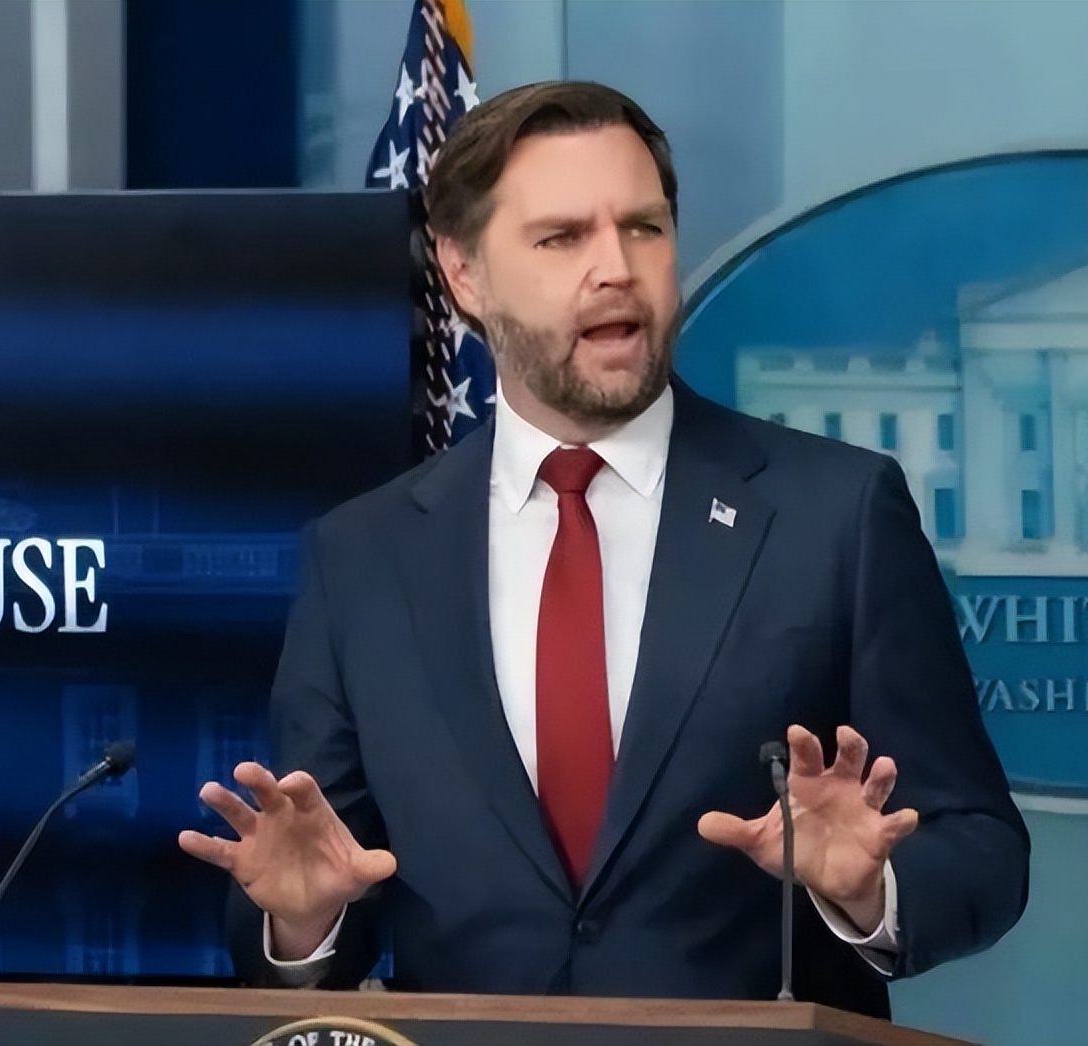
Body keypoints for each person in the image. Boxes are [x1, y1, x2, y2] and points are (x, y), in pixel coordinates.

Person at [179, 81, 1028, 1017]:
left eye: (643, 228)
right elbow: (317, 879)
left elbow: (980, 849)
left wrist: (868, 890)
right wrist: (303, 921)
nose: (616, 268)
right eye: (561, 238)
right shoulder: (360, 560)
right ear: (464, 275)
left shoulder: (837, 515)